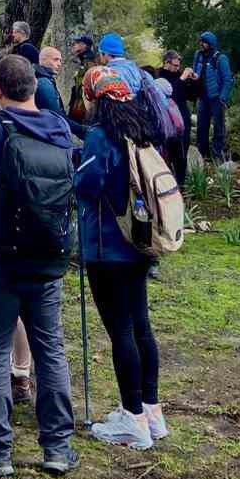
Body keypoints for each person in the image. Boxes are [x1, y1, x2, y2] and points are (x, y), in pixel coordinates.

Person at [0, 53, 77, 476]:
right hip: (47, 257)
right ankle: (58, 447)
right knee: (50, 348)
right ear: (34, 88)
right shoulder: (59, 128)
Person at [75, 66, 166, 450]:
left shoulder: (101, 137)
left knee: (120, 331)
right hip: (141, 243)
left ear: (94, 98)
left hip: (107, 247)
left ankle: (132, 420)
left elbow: (86, 185)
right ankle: (151, 411)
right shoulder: (143, 133)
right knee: (141, 325)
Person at [154, 50, 198, 185]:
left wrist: (195, 81)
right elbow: (170, 92)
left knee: (182, 150)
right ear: (166, 63)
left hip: (182, 116)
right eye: (175, 65)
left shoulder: (180, 76)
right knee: (166, 150)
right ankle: (165, 181)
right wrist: (182, 79)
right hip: (166, 117)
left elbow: (192, 96)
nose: (178, 68)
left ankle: (181, 183)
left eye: (179, 65)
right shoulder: (159, 75)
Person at [189, 31, 233, 163]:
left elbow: (228, 80)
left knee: (218, 127)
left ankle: (217, 154)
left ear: (211, 43)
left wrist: (222, 97)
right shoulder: (198, 56)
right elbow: (196, 71)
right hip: (202, 98)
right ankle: (202, 153)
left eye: (204, 42)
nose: (201, 44)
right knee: (202, 127)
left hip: (216, 99)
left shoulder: (220, 58)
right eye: (201, 41)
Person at [66, 35, 96, 127]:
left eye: (77, 43)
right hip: (79, 106)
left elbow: (89, 89)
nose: (74, 45)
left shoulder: (90, 62)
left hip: (83, 110)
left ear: (84, 45)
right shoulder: (84, 60)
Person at [34, 46, 66, 116]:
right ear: (44, 60)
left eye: (60, 61)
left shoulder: (45, 79)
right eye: (55, 60)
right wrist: (82, 127)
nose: (59, 64)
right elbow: (56, 115)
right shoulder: (43, 82)